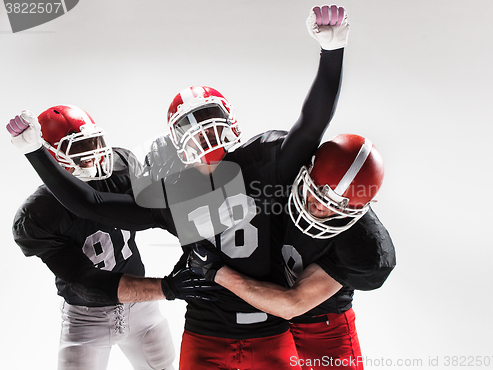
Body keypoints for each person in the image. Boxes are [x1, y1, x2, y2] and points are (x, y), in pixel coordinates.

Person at [7, 5, 350, 369]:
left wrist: (332, 51)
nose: (204, 134)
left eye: (209, 121)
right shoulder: (251, 165)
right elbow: (91, 204)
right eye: (193, 127)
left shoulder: (194, 185)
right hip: (211, 328)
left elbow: (313, 124)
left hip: (265, 327)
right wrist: (332, 51)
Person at [8, 105, 209, 370]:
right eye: (79, 149)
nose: (92, 155)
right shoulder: (39, 214)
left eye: (92, 143)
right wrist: (167, 287)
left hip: (142, 310)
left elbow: (160, 213)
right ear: (53, 156)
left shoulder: (122, 169)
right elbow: (86, 282)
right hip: (86, 318)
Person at [189, 134, 396, 370]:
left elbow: (292, 304)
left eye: (336, 206)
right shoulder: (281, 180)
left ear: (356, 211)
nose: (320, 206)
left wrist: (216, 271)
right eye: (316, 191)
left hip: (323, 329)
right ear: (306, 170)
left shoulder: (360, 241)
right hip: (272, 327)